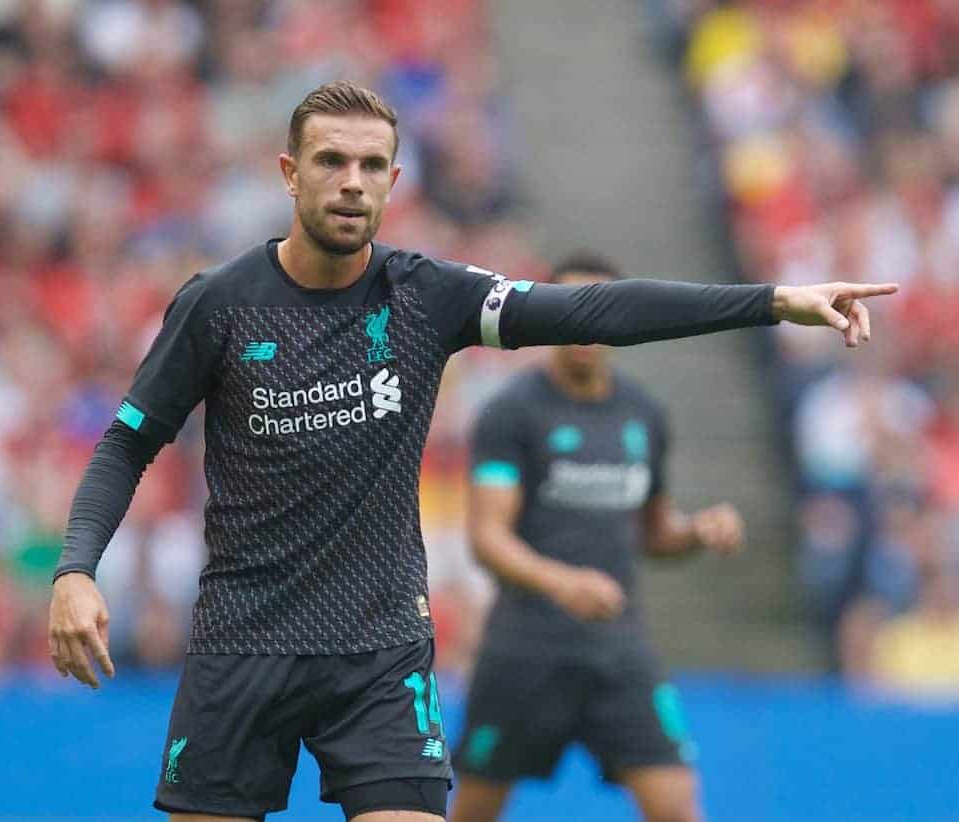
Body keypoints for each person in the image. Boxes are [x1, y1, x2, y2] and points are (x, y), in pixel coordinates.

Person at [46, 81, 897, 822]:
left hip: (378, 651)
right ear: (288, 172)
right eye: (332, 161)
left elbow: (589, 313)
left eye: (372, 166)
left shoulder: (425, 298)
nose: (351, 183)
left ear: (394, 181)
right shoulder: (220, 305)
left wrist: (777, 300)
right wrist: (76, 568)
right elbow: (128, 442)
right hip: (242, 641)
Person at [450, 252, 744, 822]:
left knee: (679, 806)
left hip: (619, 649)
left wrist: (698, 532)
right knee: (475, 812)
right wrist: (562, 583)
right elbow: (487, 537)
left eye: (600, 310)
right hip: (525, 651)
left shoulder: (643, 414)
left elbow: (655, 534)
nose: (584, 324)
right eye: (569, 310)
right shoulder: (511, 414)